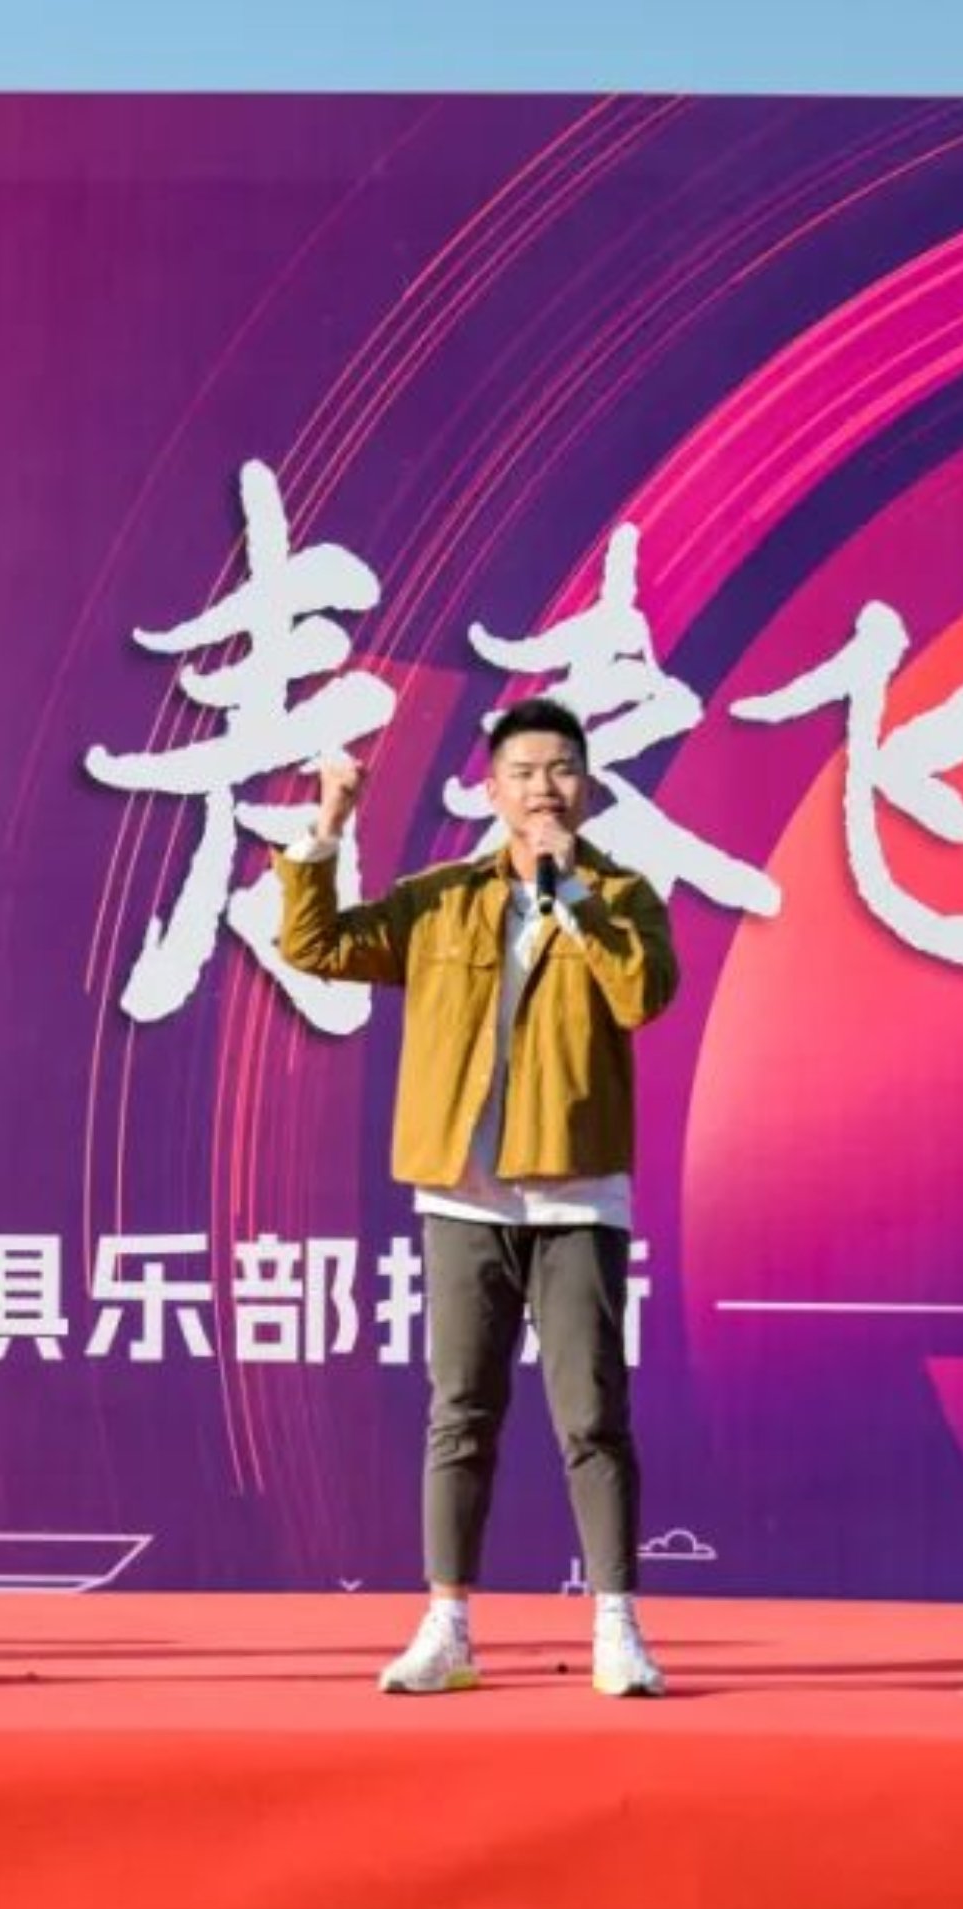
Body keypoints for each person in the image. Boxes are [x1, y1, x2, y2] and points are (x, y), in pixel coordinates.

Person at [273, 697, 679, 1697]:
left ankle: (616, 1625)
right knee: (459, 1413)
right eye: (525, 772)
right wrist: (329, 825)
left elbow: (642, 996)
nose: (544, 788)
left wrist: (572, 896)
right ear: (491, 790)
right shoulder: (442, 899)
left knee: (592, 1415)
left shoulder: (623, 896)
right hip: (463, 1195)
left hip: (576, 1192)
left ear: (587, 787)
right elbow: (316, 946)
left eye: (562, 769)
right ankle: (448, 1626)